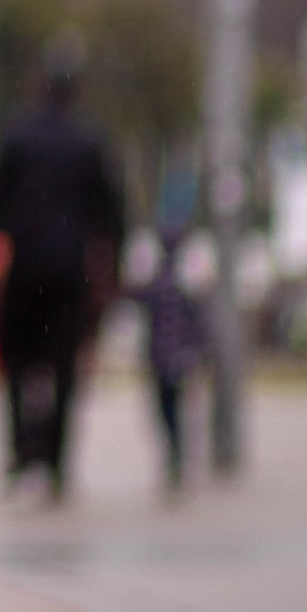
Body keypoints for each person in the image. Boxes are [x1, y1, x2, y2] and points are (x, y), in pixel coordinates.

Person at [0, 37, 124, 500]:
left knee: (17, 363)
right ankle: (57, 460)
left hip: (24, 269)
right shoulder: (90, 139)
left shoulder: (17, 135)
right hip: (70, 271)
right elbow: (113, 211)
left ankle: (21, 452)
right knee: (64, 368)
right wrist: (112, 261)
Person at [119, 193, 215, 494]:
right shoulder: (187, 263)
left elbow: (135, 300)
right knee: (178, 405)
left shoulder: (154, 262)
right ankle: (179, 454)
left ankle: (175, 455)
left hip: (163, 351)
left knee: (167, 405)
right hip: (176, 351)